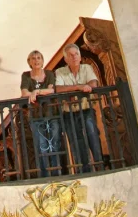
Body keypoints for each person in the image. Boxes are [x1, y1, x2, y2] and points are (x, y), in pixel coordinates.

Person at [54, 43, 103, 174]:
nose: (74, 57)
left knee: (92, 134)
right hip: (68, 113)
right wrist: (79, 87)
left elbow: (93, 83)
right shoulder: (60, 72)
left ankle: (100, 165)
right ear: (66, 59)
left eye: (76, 54)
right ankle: (84, 170)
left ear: (80, 57)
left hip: (86, 109)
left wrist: (72, 89)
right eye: (70, 55)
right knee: (76, 141)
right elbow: (58, 89)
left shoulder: (87, 68)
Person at [20, 50, 61, 178]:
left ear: (42, 61)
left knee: (54, 142)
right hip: (35, 115)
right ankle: (45, 174)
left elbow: (51, 90)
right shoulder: (26, 75)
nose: (36, 60)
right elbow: (24, 93)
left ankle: (56, 172)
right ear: (29, 62)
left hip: (51, 112)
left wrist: (36, 91)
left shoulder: (48, 73)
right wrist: (34, 93)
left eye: (39, 58)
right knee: (41, 144)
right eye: (33, 58)